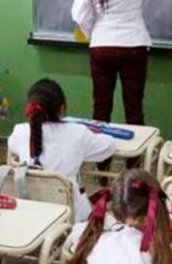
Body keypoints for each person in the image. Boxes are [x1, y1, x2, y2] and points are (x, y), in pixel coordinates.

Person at [7, 78, 116, 221]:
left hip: (31, 213)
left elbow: (13, 146)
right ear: (62, 108)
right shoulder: (78, 133)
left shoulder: (20, 131)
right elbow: (109, 146)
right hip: (71, 216)